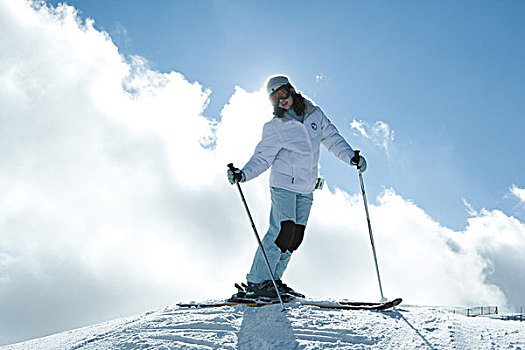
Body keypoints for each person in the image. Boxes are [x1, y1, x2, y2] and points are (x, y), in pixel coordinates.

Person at [227, 75, 366, 298]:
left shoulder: (314, 115)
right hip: (283, 185)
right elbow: (262, 157)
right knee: (282, 231)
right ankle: (257, 280)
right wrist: (243, 174)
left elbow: (332, 139)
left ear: (291, 90)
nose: (280, 101)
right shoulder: (276, 127)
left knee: (295, 237)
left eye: (281, 94)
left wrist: (351, 157)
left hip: (306, 187)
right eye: (274, 98)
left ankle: (274, 280)